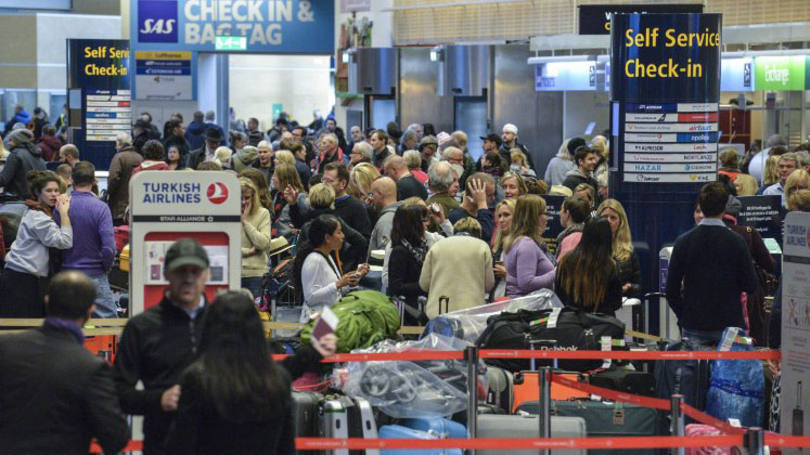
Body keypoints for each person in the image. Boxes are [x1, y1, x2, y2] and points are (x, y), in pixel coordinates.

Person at [165, 291, 337, 455]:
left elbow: (180, 446)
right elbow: (285, 447)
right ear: (256, 329)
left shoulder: (197, 380)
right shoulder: (276, 380)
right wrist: (315, 352)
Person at [0, 271, 129, 455]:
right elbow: (116, 437)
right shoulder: (91, 368)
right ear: (90, 312)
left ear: (47, 302)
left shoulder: (6, 348)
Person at [113, 238, 213, 455]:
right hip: (163, 444)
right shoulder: (141, 327)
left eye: (195, 271)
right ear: (166, 274)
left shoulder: (223, 324)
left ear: (207, 275)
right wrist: (158, 399)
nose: (188, 279)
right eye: (180, 271)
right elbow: (117, 393)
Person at [665, 182, 758, 344]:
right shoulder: (737, 242)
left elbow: (671, 290)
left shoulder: (683, 242)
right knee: (730, 362)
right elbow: (750, 285)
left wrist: (685, 315)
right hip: (730, 325)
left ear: (701, 206)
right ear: (724, 207)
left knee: (695, 362)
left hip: (694, 324)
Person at [0, 171, 72, 317]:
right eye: (48, 191)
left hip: (25, 276)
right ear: (38, 193)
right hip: (21, 279)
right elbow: (64, 241)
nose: (54, 194)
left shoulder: (39, 211)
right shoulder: (38, 216)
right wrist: (64, 213)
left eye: (56, 190)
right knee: (20, 326)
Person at [58, 162, 117, 317]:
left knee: (67, 321)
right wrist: (105, 267)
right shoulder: (101, 208)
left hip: (66, 275)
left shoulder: (60, 206)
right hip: (94, 274)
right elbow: (109, 248)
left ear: (71, 180)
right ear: (94, 181)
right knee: (110, 324)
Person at [295, 214, 368, 321]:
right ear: (327, 238)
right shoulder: (314, 260)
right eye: (339, 232)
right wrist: (338, 284)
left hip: (329, 318)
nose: (343, 236)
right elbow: (310, 298)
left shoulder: (327, 256)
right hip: (316, 323)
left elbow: (333, 292)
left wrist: (352, 280)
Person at [419, 217, 495, 317]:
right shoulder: (482, 246)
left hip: (440, 310)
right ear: (478, 233)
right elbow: (489, 284)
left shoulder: (437, 246)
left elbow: (424, 284)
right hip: (471, 312)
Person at [555, 217, 622, 315]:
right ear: (607, 238)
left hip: (572, 319)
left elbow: (559, 294)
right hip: (603, 320)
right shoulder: (610, 266)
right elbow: (616, 302)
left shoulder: (565, 262)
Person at [504, 194, 555, 298]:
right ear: (533, 217)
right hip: (528, 305)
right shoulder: (527, 244)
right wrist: (556, 273)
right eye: (545, 213)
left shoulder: (517, 241)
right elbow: (527, 283)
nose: (547, 218)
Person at [388, 205, 429, 319]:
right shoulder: (400, 251)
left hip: (420, 306)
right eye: (423, 221)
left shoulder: (420, 247)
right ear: (413, 224)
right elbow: (395, 287)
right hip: (407, 313)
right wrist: (424, 285)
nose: (427, 224)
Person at [596, 199, 641, 298]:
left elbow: (638, 285)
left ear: (621, 222)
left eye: (613, 218)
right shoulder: (591, 248)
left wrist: (630, 287)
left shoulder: (629, 251)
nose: (609, 221)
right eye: (604, 217)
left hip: (623, 301)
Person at [240, 177, 272, 300]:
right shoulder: (228, 214)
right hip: (233, 272)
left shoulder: (263, 213)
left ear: (254, 197)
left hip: (256, 273)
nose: (243, 202)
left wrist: (244, 222)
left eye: (247, 198)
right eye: (240, 198)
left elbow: (263, 243)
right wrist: (247, 252)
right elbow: (227, 246)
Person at [322, 162, 372, 238]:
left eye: (329, 181)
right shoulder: (320, 204)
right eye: (323, 180)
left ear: (343, 183)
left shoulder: (357, 207)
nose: (324, 184)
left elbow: (364, 240)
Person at [107, 132, 143, 224]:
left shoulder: (118, 157)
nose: (115, 147)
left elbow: (113, 178)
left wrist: (108, 192)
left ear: (119, 144)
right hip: (135, 205)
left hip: (119, 207)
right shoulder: (139, 157)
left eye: (116, 144)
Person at [448, 173, 495, 242]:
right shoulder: (455, 216)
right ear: (474, 194)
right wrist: (482, 202)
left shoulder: (483, 214)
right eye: (489, 195)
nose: (493, 198)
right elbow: (486, 235)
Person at [0, 128, 46, 199]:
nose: (8, 143)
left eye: (11, 140)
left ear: (18, 140)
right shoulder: (37, 155)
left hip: (16, 199)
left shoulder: (15, 154)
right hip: (36, 198)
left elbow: (3, 179)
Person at [491, 198, 516, 300]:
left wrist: (507, 275)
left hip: (514, 301)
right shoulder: (498, 245)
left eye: (506, 215)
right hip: (497, 298)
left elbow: (529, 282)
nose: (501, 220)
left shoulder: (525, 245)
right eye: (499, 216)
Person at [368, 176, 400, 253]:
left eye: (372, 194)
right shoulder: (403, 214)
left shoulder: (386, 221)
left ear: (380, 194)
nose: (370, 198)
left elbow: (383, 254)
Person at [556, 195, 590, 260]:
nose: (560, 213)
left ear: (567, 213)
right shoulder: (586, 235)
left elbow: (562, 264)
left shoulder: (570, 240)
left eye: (561, 209)